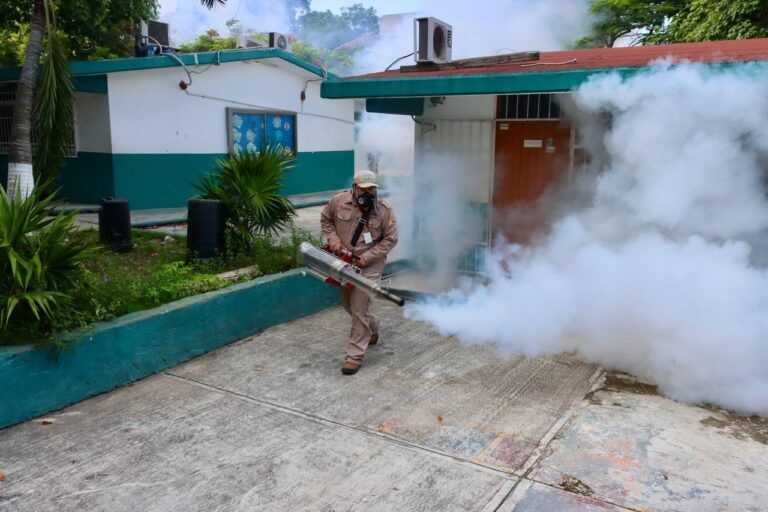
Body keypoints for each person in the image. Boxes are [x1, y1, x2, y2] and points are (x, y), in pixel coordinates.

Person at [321, 170, 398, 375]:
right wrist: (335, 242)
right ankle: (372, 327)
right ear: (354, 188)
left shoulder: (383, 210)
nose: (369, 192)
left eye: (372, 188)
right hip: (344, 261)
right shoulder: (338, 201)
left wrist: (367, 257)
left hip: (370, 263)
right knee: (349, 304)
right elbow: (326, 220)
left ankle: (354, 356)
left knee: (359, 304)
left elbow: (391, 239)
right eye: (364, 189)